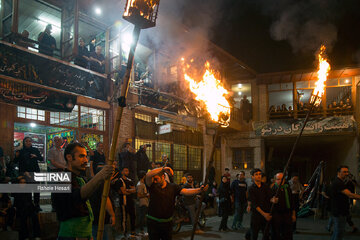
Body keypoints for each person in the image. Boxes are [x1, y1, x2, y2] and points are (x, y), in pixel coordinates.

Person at [52, 142, 114, 239]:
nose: (86, 160)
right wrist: (100, 176)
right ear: (69, 157)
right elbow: (77, 196)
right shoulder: (61, 178)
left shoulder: (81, 179)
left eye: (86, 156)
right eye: (81, 156)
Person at [145, 166, 208, 240]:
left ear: (163, 177)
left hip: (167, 223)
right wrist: (163, 168)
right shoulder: (152, 186)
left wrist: (199, 190)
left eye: (156, 179)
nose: (154, 181)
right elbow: (148, 175)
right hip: (153, 223)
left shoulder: (173, 187)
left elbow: (186, 191)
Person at [330, 166, 360, 240]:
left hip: (340, 210)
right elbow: (349, 194)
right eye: (344, 172)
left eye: (347, 172)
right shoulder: (338, 183)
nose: (346, 174)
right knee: (339, 232)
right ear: (338, 173)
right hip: (339, 211)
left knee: (337, 232)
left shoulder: (341, 182)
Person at [14, 137, 42, 212]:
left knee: (36, 189)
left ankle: (37, 204)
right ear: (24, 142)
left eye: (30, 141)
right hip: (25, 172)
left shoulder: (35, 150)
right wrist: (16, 156)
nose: (28, 142)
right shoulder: (21, 151)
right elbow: (16, 161)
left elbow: (41, 158)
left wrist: (35, 156)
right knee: (28, 190)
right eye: (26, 141)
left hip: (35, 171)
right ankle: (29, 205)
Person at [89, 165, 116, 240]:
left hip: (94, 216)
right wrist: (112, 214)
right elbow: (105, 198)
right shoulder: (103, 183)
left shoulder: (92, 182)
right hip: (100, 217)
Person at [248, 168, 272, 240]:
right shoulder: (251, 188)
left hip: (266, 214)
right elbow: (254, 204)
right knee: (254, 234)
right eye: (256, 174)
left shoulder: (266, 186)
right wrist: (264, 214)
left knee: (266, 235)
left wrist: (273, 199)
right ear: (252, 177)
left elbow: (270, 197)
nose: (259, 176)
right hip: (256, 215)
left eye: (260, 174)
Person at [271, 172, 296, 240]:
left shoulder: (287, 188)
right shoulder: (272, 189)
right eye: (278, 179)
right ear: (275, 180)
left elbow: (292, 202)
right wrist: (271, 200)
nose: (280, 181)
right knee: (277, 233)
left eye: (282, 179)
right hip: (277, 214)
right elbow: (268, 200)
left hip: (287, 214)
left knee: (288, 233)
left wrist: (293, 214)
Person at [114, 167, 137, 237]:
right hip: (124, 202)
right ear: (122, 172)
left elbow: (134, 190)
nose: (127, 172)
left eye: (128, 171)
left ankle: (133, 231)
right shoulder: (119, 181)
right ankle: (124, 233)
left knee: (133, 216)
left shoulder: (130, 180)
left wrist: (127, 190)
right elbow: (122, 192)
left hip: (130, 201)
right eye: (125, 171)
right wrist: (129, 190)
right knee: (124, 218)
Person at [137, 170, 149, 235]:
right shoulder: (140, 185)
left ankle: (143, 230)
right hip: (142, 203)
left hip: (145, 202)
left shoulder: (142, 184)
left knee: (143, 216)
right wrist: (146, 195)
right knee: (142, 217)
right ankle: (141, 230)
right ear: (144, 176)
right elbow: (139, 195)